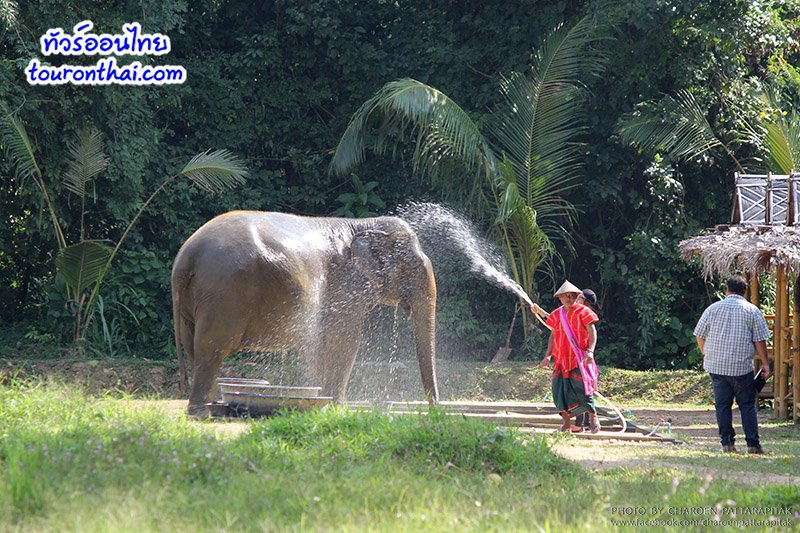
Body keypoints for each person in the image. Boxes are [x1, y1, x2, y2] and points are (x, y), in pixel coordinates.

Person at [693, 275, 771, 454]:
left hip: (716, 366)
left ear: (727, 289)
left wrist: (707, 353)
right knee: (747, 405)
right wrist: (765, 363)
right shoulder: (752, 311)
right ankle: (753, 444)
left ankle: (727, 443)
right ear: (745, 291)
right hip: (741, 367)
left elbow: (699, 334)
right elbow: (760, 341)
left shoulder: (713, 309)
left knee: (722, 405)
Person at [535, 281, 600, 433]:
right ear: (560, 298)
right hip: (561, 361)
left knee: (583, 390)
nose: (569, 299)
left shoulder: (584, 312)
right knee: (559, 393)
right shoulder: (557, 314)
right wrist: (547, 356)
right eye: (565, 296)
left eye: (572, 296)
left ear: (577, 296)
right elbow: (553, 335)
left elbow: (592, 332)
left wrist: (590, 351)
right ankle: (566, 424)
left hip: (579, 359)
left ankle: (593, 417)